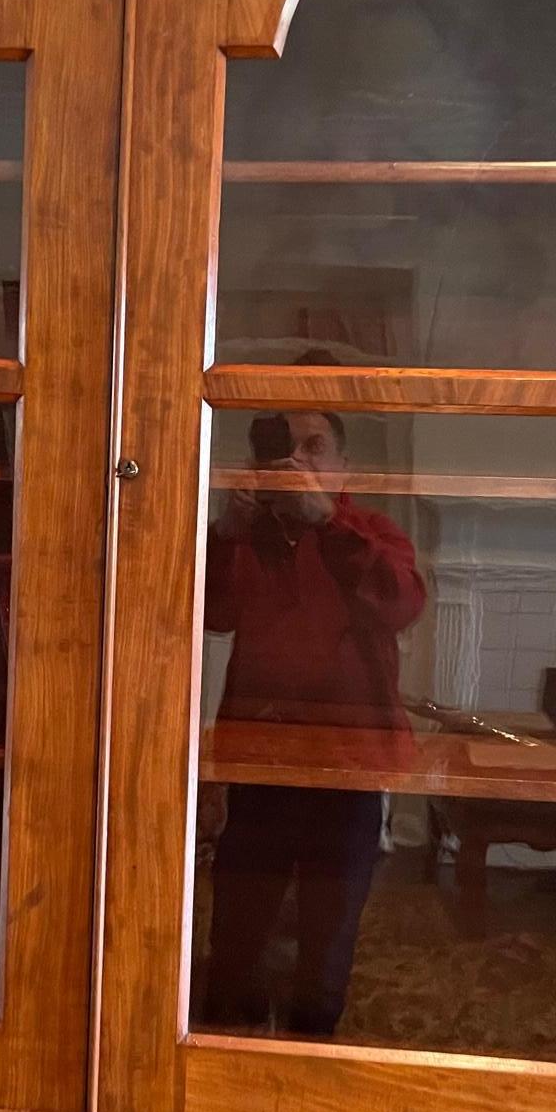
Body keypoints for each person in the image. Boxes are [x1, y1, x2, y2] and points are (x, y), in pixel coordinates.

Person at [202, 403, 425, 1036]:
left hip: (348, 771)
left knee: (327, 945)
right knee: (238, 938)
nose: (299, 462)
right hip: (259, 764)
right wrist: (225, 531)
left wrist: (326, 522)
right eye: (283, 449)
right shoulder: (244, 539)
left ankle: (311, 1051)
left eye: (316, 447)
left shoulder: (372, 531)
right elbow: (210, 613)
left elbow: (402, 603)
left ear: (342, 464)